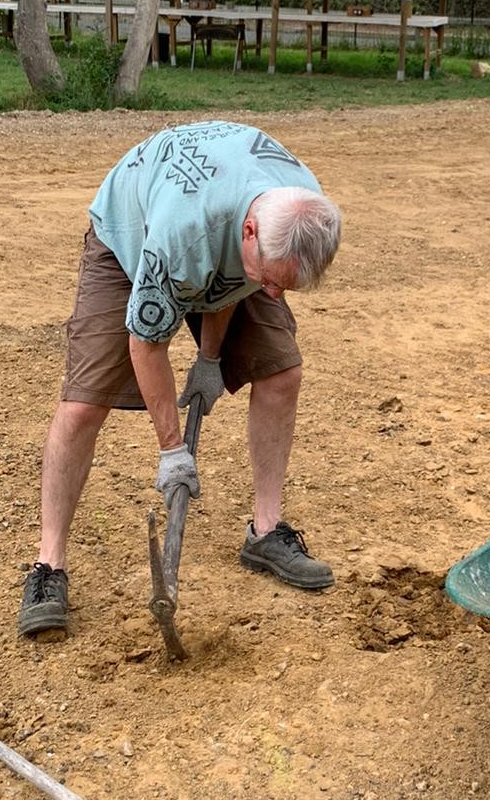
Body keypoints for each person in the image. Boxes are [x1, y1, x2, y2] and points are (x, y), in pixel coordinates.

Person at [18, 120, 343, 638]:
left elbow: (234, 282)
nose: (277, 295)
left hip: (226, 236)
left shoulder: (299, 209)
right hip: (132, 236)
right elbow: (148, 343)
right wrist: (173, 451)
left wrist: (211, 358)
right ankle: (47, 565)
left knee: (282, 370)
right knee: (84, 403)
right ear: (249, 231)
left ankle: (266, 532)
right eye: (275, 282)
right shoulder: (181, 234)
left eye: (288, 286)